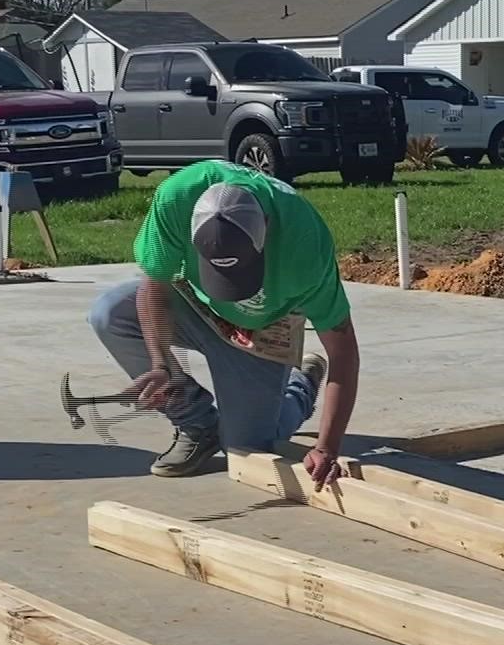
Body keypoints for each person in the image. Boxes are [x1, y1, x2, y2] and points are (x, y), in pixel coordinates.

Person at [87, 160, 359, 485]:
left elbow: (343, 354)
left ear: (267, 228)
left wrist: (327, 446)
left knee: (245, 450)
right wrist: (160, 365)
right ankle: (197, 424)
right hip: (192, 302)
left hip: (265, 323)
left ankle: (300, 388)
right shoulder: (175, 199)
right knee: (109, 313)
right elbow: (154, 285)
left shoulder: (305, 245)